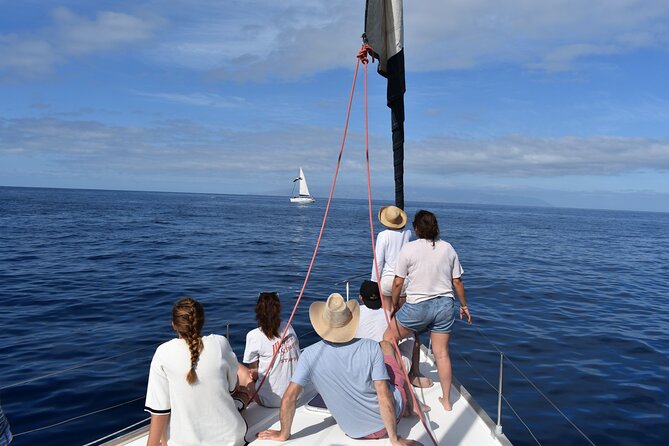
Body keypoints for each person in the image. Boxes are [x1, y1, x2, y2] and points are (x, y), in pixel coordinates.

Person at [258, 293, 423, 446]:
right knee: (387, 349)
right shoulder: (372, 348)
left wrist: (283, 434)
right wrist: (395, 439)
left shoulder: (309, 355)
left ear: (323, 324)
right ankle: (409, 405)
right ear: (350, 322)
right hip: (383, 426)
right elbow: (384, 395)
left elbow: (289, 398)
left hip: (352, 431)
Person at [384, 210, 472, 412]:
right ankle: (447, 401)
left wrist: (395, 305)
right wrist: (464, 306)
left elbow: (398, 282)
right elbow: (457, 281)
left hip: (418, 307)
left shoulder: (409, 249)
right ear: (436, 227)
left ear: (416, 228)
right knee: (441, 354)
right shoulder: (448, 248)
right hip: (445, 306)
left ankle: (397, 387)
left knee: (388, 339)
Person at [144, 297, 250, 446]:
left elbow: (159, 412)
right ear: (202, 322)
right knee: (242, 394)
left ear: (174, 325)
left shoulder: (163, 353)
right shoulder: (220, 343)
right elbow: (232, 389)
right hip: (230, 439)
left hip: (183, 442)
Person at [243, 291, 300, 407]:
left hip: (271, 401)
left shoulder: (253, 336)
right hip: (296, 395)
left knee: (241, 373)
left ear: (258, 312)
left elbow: (254, 374)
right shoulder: (288, 327)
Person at [371, 206, 411, 299]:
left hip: (387, 279)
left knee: (387, 312)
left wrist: (374, 281)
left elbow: (378, 260)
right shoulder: (408, 233)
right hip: (403, 280)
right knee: (401, 311)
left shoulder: (383, 235)